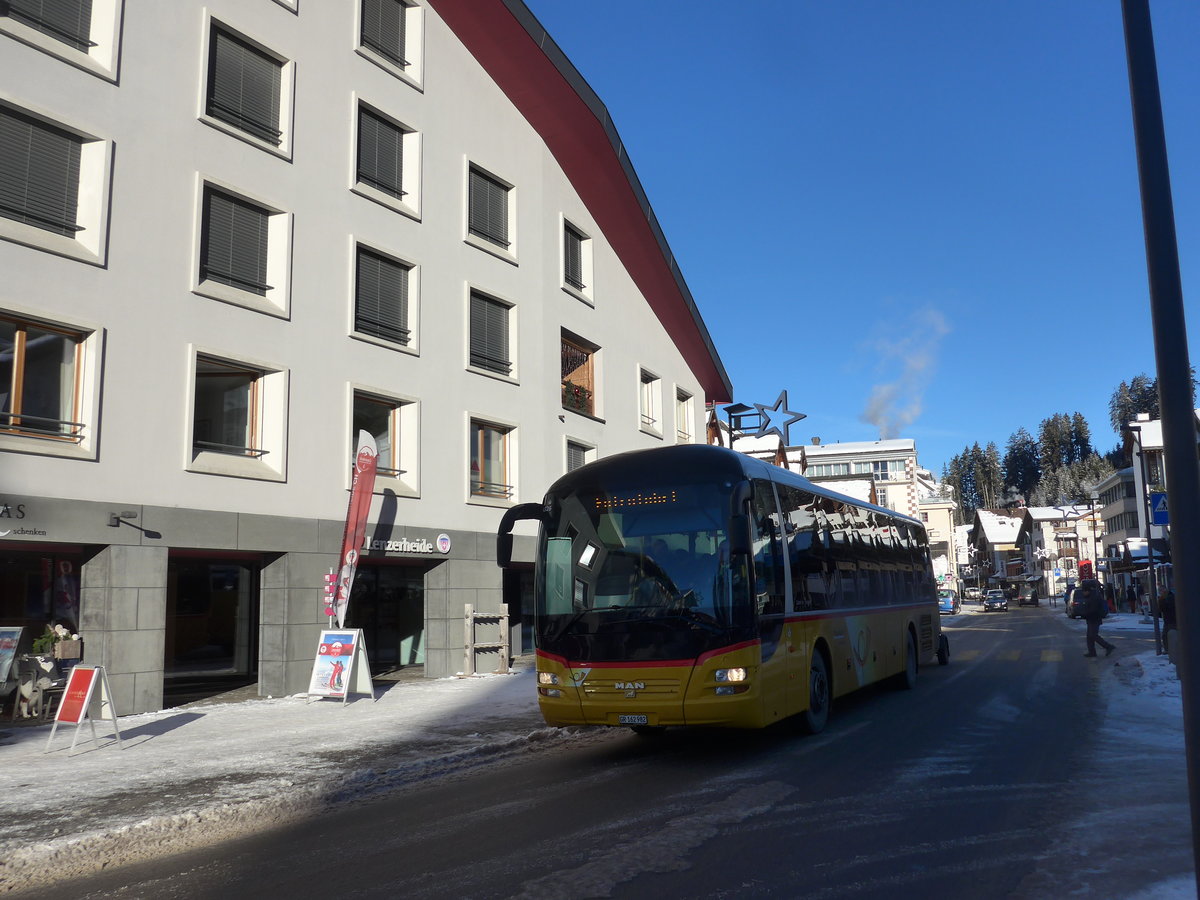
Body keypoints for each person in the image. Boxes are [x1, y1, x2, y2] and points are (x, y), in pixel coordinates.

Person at [1079, 578, 1115, 658]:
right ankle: (1092, 652)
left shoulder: (1093, 597)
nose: (1083, 593)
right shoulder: (1092, 596)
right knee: (1089, 636)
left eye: (1084, 591)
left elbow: (1093, 610)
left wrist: (1085, 614)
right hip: (1092, 619)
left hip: (1094, 619)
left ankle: (1108, 646)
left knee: (1093, 635)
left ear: (1087, 591)